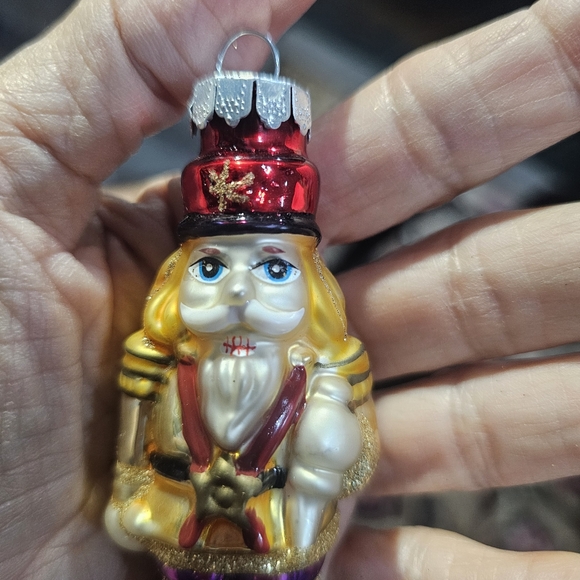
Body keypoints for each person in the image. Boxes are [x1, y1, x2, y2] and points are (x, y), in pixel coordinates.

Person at [0, 0, 579, 578]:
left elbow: (342, 455)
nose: (239, 293)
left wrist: (327, 438)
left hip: (279, 537)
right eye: (210, 270)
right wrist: (132, 490)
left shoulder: (319, 372)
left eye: (274, 272)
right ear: (174, 285)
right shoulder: (163, 366)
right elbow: (134, 447)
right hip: (177, 533)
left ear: (313, 292)